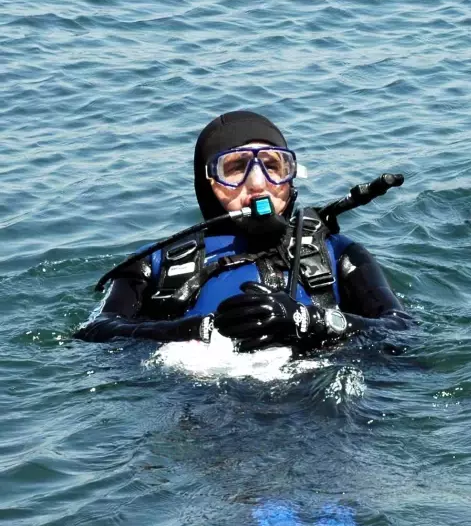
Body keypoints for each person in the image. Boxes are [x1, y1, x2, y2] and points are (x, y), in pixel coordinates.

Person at [75, 110, 411, 353]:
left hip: (316, 403)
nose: (258, 184)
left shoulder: (338, 253)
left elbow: (401, 329)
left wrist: (309, 322)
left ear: (291, 176)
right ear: (206, 184)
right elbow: (97, 330)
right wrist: (186, 331)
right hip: (202, 405)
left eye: (273, 166)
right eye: (234, 169)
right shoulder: (154, 262)